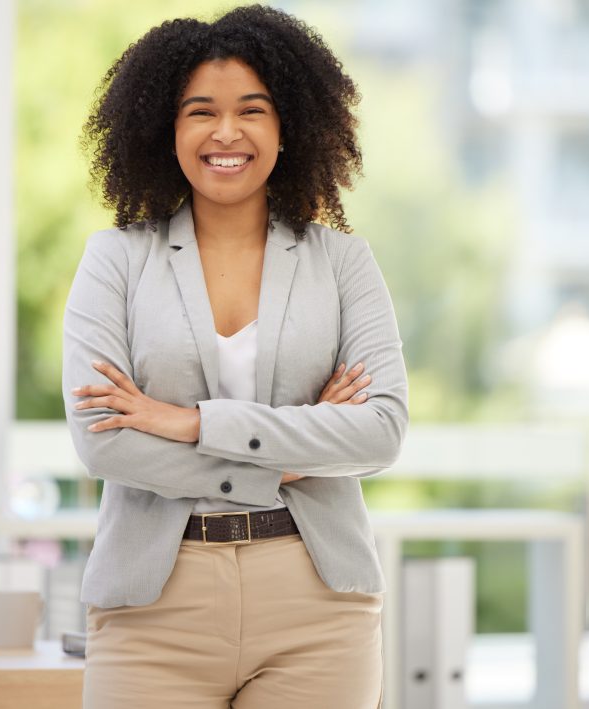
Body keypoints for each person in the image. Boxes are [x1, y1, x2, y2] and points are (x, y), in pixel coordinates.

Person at [62, 5, 409, 708]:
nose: (227, 132)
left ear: (290, 128)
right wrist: (289, 456)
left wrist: (189, 421)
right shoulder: (116, 261)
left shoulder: (343, 262)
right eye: (200, 112)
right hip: (153, 609)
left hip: (316, 604)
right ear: (167, 129)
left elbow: (380, 429)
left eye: (252, 109)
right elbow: (105, 443)